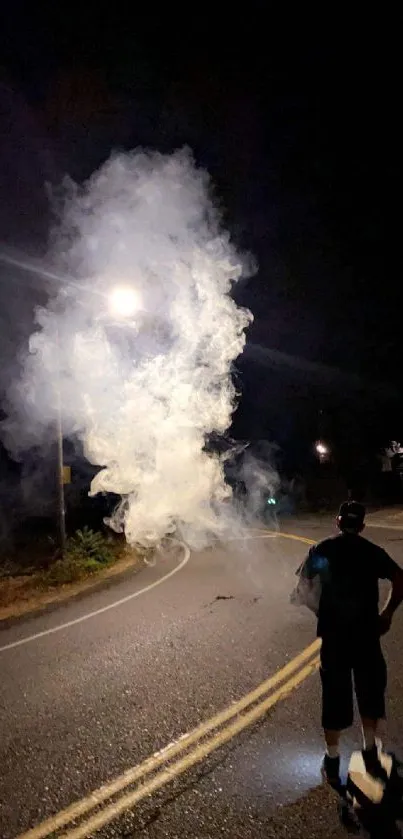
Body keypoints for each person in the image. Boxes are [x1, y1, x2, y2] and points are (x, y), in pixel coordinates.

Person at [292, 500, 403, 787]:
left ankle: (332, 758)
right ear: (363, 526)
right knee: (370, 692)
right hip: (367, 636)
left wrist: (321, 612)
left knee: (334, 696)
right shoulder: (372, 552)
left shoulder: (321, 550)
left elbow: (301, 590)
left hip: (334, 638)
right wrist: (387, 613)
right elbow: (399, 578)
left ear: (338, 522)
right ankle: (369, 751)